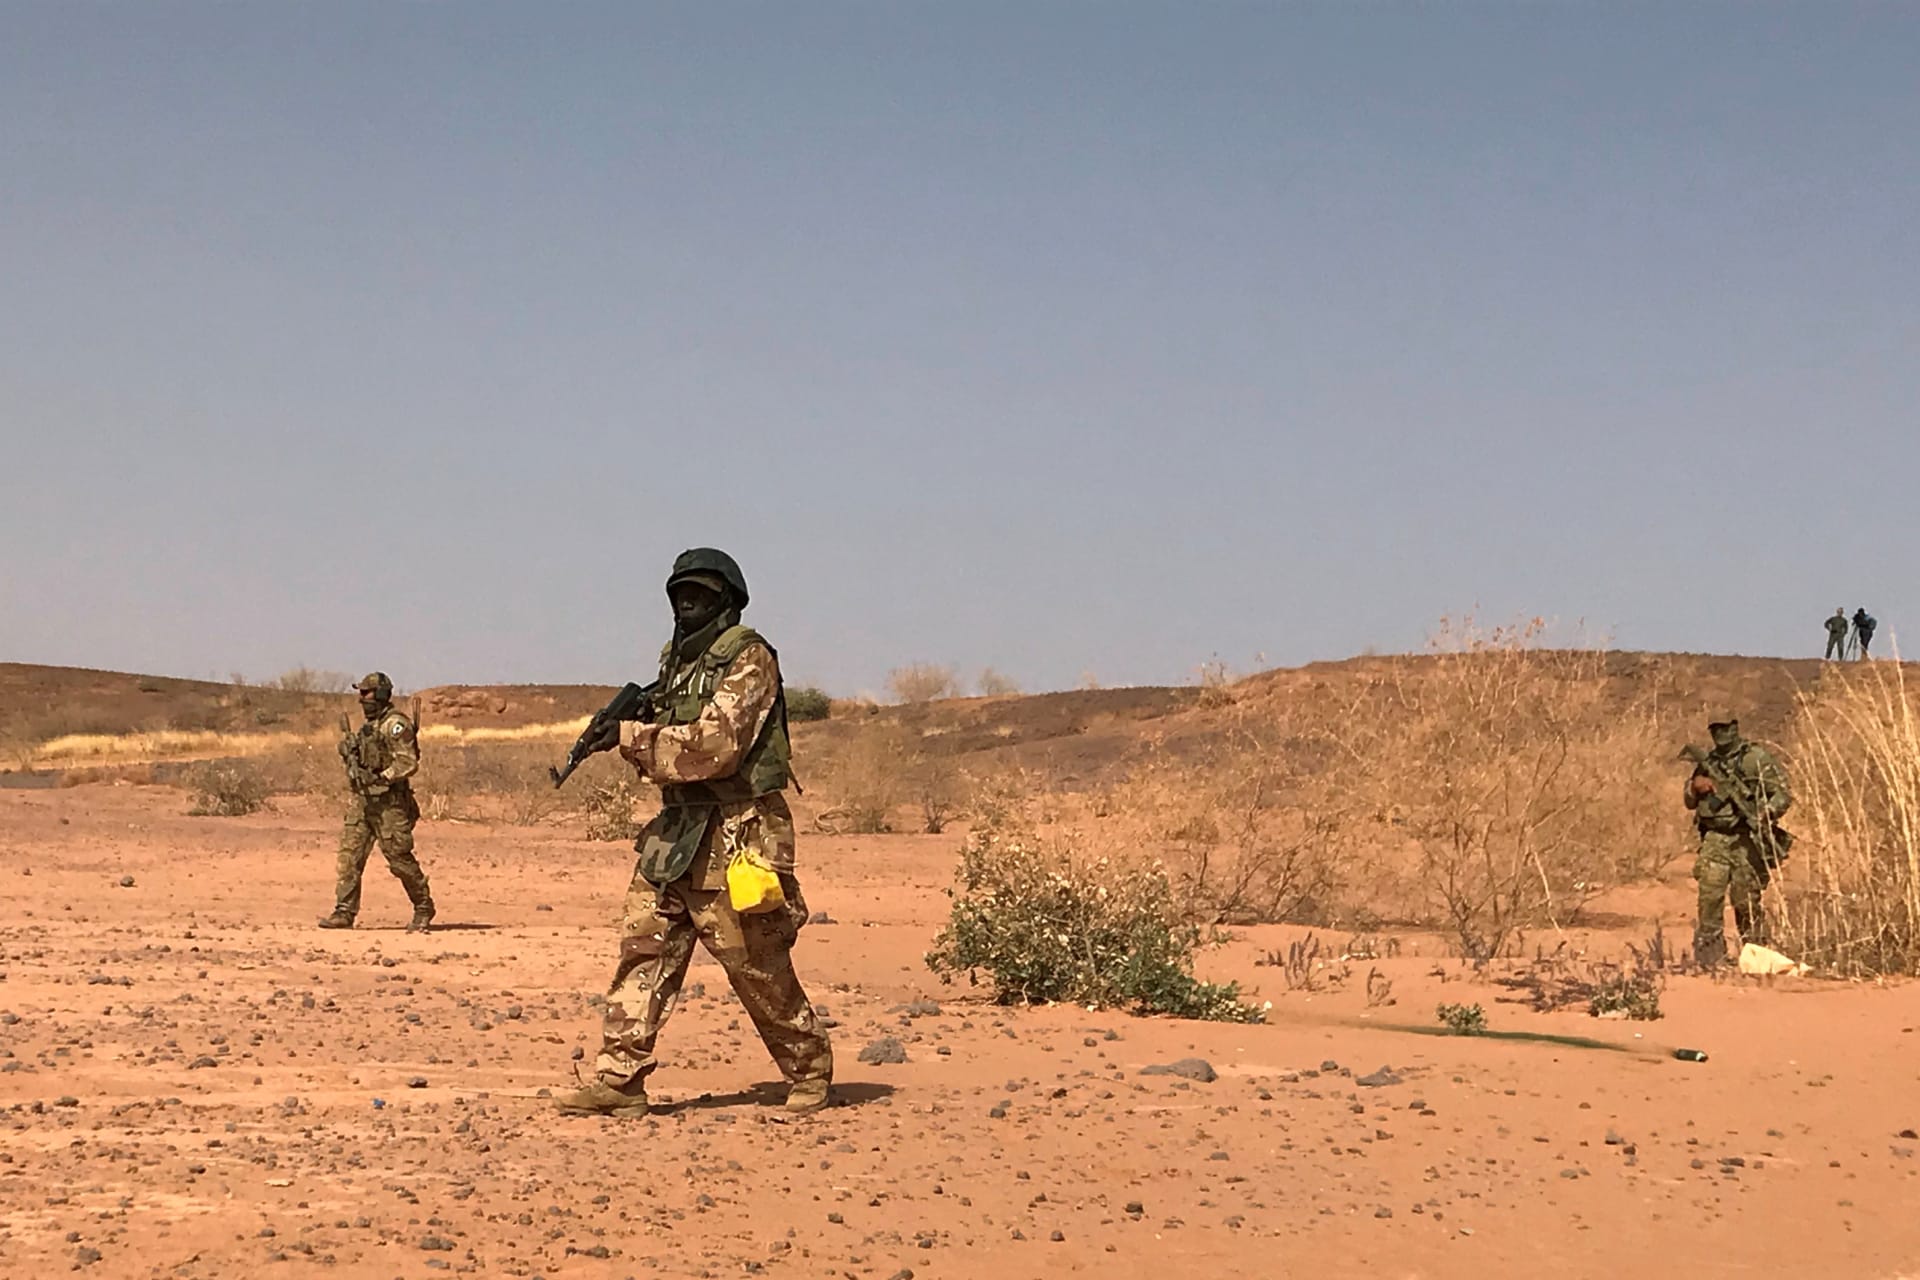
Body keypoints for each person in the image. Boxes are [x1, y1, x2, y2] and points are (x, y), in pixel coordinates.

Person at [555, 548, 832, 1117]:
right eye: (680, 594)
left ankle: (808, 1068)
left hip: (738, 830)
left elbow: (717, 748)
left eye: (701, 594)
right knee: (645, 948)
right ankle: (619, 1078)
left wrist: (631, 739)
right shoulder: (677, 663)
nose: (687, 604)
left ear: (726, 599)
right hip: (677, 829)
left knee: (753, 960)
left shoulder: (750, 657)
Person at [319, 673, 435, 932]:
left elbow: (408, 761)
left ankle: (423, 907)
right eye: (360, 694)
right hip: (363, 802)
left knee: (399, 860)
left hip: (389, 804)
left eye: (366, 693)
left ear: (381, 695)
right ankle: (344, 911)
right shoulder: (368, 727)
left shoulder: (395, 725)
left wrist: (383, 777)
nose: (362, 700)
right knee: (350, 857)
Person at [1682, 714, 1790, 967]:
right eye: (1715, 728)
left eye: (1725, 727)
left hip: (1746, 840)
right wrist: (1695, 787)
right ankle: (1710, 961)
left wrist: (1764, 812)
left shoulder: (1755, 758)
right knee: (1709, 897)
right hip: (1715, 839)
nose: (1721, 733)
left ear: (1735, 727)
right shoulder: (1707, 762)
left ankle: (1757, 959)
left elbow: (1782, 793)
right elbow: (1689, 802)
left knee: (1746, 901)